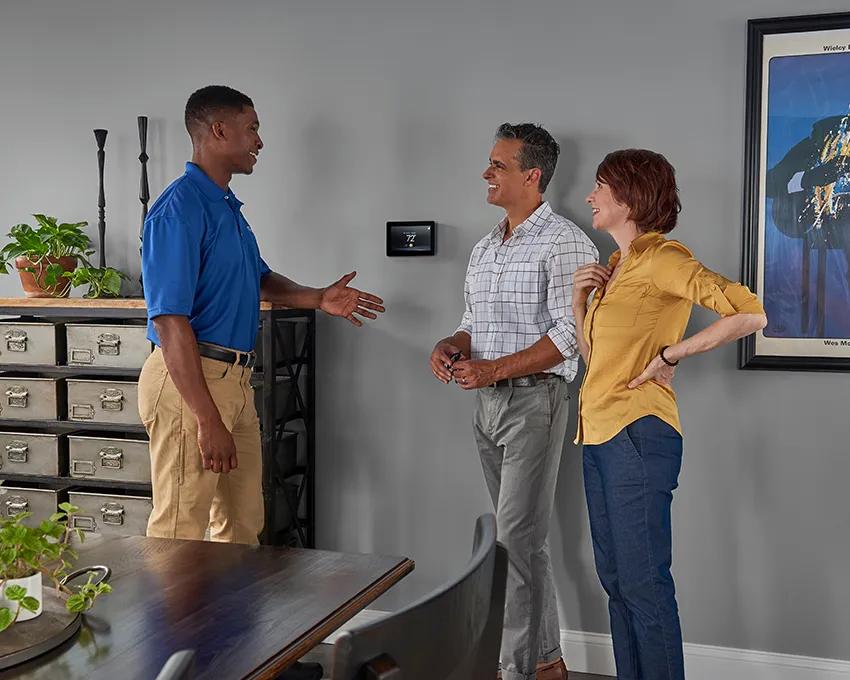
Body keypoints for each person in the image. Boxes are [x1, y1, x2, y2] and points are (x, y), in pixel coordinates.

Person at [139, 85, 385, 545]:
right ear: (218, 130)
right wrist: (206, 418)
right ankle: (170, 621)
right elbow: (170, 322)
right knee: (179, 535)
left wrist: (318, 297)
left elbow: (259, 278)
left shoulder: (227, 209)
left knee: (241, 527)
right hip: (190, 384)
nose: (259, 141)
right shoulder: (178, 210)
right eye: (252, 128)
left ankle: (225, 621)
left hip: (235, 381)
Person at [572, 149, 767, 680]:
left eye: (599, 186)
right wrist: (578, 306)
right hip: (597, 434)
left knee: (644, 582)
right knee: (615, 580)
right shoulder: (617, 266)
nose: (589, 196)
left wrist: (671, 354)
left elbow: (750, 311)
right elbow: (600, 366)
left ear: (630, 196)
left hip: (638, 435)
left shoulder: (663, 257)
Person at [430, 123, 597, 680]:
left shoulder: (567, 241)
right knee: (524, 544)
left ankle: (513, 670)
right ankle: (546, 662)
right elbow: (472, 324)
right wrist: (451, 347)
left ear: (532, 175)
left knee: (512, 544)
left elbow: (569, 336)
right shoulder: (485, 247)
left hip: (536, 403)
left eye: (497, 165)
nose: (486, 173)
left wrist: (493, 369)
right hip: (487, 409)